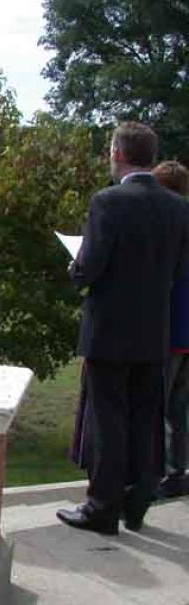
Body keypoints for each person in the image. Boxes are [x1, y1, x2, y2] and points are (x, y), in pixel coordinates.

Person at [57, 122, 189, 536]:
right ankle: (138, 502)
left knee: (109, 419)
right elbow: (179, 267)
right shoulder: (177, 207)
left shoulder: (107, 202)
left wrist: (74, 268)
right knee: (147, 419)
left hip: (110, 330)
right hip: (154, 329)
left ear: (117, 153)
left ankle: (102, 506)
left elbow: (89, 267)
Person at [155, 160, 189, 499]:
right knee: (180, 408)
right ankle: (179, 469)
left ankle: (163, 472)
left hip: (171, 327)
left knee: (159, 405)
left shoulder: (169, 228)